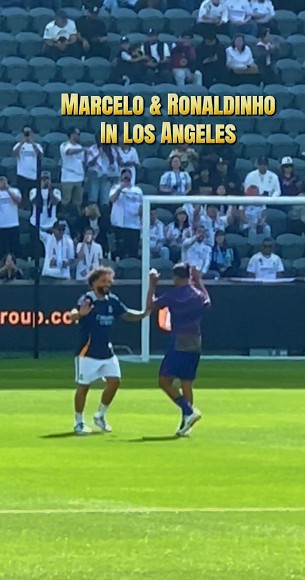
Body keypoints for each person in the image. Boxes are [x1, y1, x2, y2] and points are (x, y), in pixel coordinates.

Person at [70, 267, 150, 434]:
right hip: (87, 352)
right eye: (104, 281)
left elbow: (126, 314)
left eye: (109, 281)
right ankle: (78, 422)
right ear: (94, 283)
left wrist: (143, 314)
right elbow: (73, 314)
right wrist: (80, 314)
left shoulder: (112, 300)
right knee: (84, 387)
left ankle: (100, 415)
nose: (107, 284)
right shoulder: (87, 299)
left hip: (106, 351)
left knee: (115, 381)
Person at [148, 265, 209, 436]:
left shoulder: (173, 295)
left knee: (164, 381)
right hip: (195, 340)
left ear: (176, 277)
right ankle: (186, 424)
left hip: (179, 341)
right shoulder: (197, 295)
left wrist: (152, 284)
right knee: (186, 381)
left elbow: (150, 305)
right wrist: (198, 281)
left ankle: (188, 411)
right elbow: (207, 301)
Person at [109, 168, 144, 258]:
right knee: (121, 252)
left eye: (128, 174)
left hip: (135, 225)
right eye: (124, 174)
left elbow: (141, 204)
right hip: (120, 224)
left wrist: (141, 214)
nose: (126, 176)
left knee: (133, 253)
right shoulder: (115, 187)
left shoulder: (138, 190)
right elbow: (112, 199)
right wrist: (120, 188)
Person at [0, 175, 24, 258]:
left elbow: (18, 201)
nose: (1, 183)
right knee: (1, 250)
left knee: (15, 250)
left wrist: (7, 190)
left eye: (3, 181)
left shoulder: (14, 190)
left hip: (13, 224)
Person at [59, 127, 87, 216]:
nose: (77, 136)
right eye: (76, 134)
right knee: (66, 199)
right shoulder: (64, 145)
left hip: (79, 177)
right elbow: (69, 152)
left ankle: (77, 217)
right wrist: (82, 149)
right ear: (71, 134)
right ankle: (63, 216)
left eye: (78, 134)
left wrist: (84, 175)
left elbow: (82, 162)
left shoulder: (79, 147)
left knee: (78, 201)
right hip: (68, 177)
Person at [12, 126, 43, 202]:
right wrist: (22, 143)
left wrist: (32, 143)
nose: (27, 134)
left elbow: (40, 156)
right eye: (26, 132)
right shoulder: (18, 145)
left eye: (29, 132)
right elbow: (14, 154)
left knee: (32, 197)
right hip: (22, 174)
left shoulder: (37, 145)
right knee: (22, 197)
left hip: (33, 175)